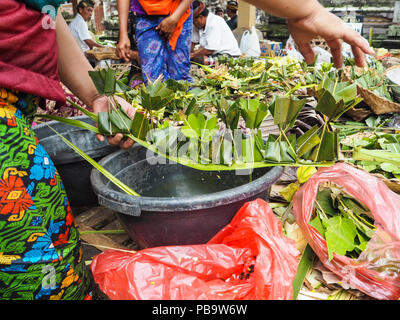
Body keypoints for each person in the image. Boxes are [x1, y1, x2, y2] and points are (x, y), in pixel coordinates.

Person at [0, 0, 134, 300]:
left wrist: (98, 95)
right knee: (35, 270)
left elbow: (43, 13)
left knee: (55, 253)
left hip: (17, 116)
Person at [116, 0, 193, 83]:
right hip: (145, 15)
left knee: (179, 75)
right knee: (152, 78)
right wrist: (123, 34)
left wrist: (174, 18)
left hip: (179, 10)